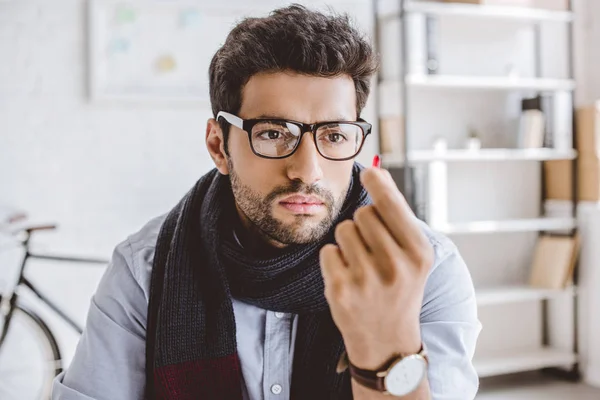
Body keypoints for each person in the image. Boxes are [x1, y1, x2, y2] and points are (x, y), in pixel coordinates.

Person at [52, 5, 480, 400]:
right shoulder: (145, 270)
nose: (307, 170)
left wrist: (386, 353)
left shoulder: (422, 270)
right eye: (273, 133)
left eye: (334, 135)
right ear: (219, 146)